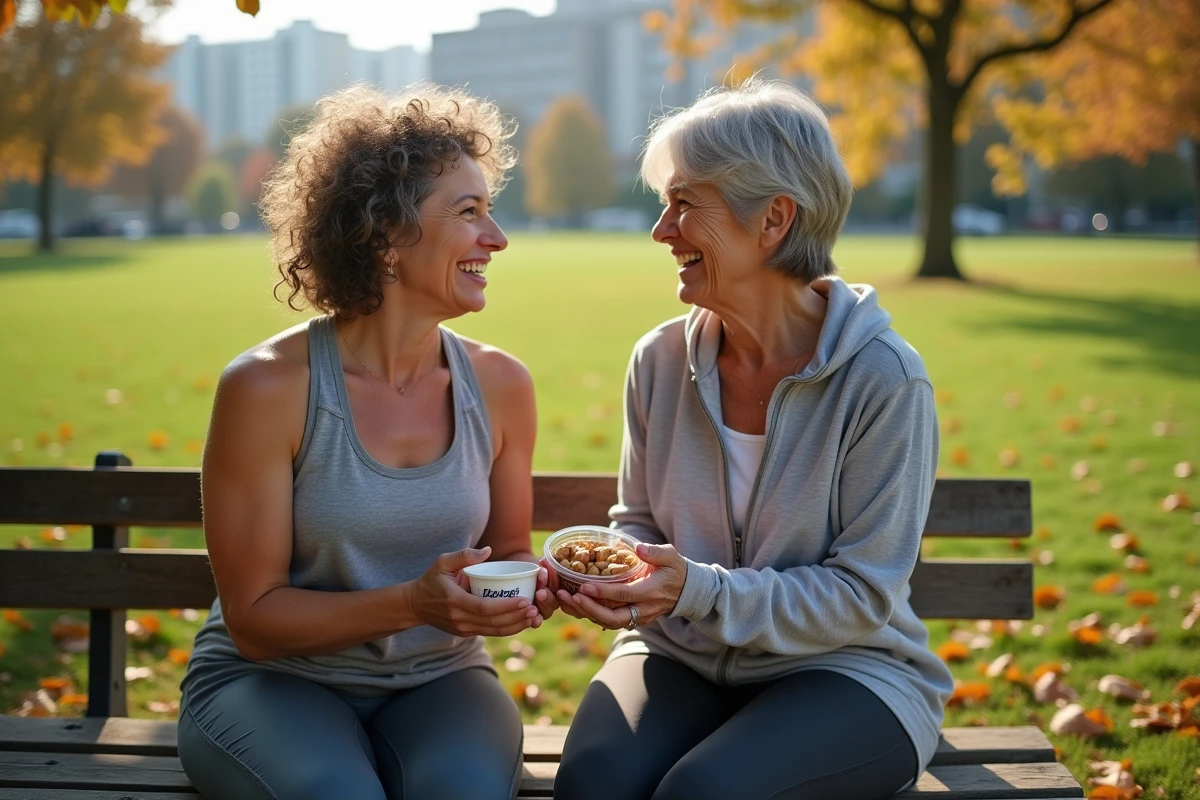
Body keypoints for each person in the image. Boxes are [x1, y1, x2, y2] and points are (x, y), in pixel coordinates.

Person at [550, 78, 954, 800]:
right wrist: (617, 581)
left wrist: (697, 590)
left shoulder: (884, 379)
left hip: (849, 672)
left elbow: (862, 596)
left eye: (684, 204)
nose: (661, 230)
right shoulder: (661, 359)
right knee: (593, 788)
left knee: (705, 794)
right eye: (663, 204)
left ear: (773, 218)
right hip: (679, 654)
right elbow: (637, 522)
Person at [178, 84, 556, 800]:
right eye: (469, 213)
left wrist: (526, 590)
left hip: (442, 681)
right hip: (271, 682)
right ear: (385, 234)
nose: (497, 238)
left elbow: (509, 552)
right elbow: (255, 621)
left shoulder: (503, 385)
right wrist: (414, 604)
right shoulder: (268, 389)